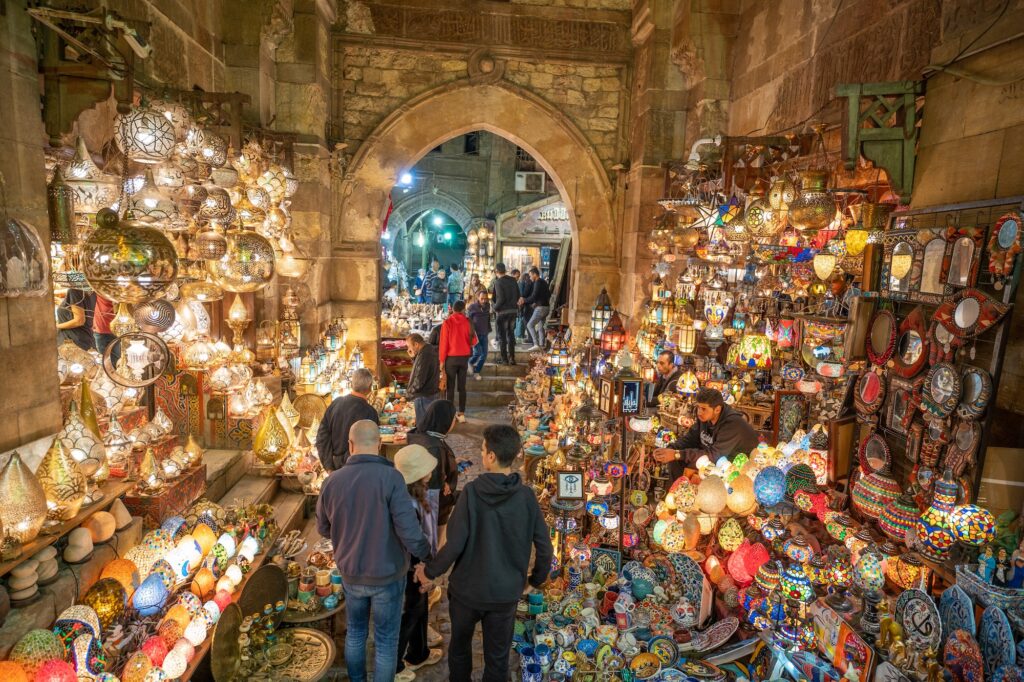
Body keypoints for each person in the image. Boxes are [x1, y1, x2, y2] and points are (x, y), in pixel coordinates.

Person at [415, 425, 554, 682]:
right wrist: (534, 581)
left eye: (482, 449)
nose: (481, 454)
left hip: (467, 592)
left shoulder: (471, 493)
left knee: (459, 649)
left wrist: (430, 571)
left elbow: (454, 544)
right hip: (505, 594)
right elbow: (545, 547)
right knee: (498, 658)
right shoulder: (526, 497)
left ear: (491, 456)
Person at [316, 421, 432, 682]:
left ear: (349, 445)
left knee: (355, 632)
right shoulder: (392, 478)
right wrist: (429, 558)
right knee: (386, 640)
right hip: (388, 575)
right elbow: (411, 533)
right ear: (379, 445)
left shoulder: (331, 481)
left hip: (350, 573)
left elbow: (323, 528)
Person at [393, 444, 443, 681]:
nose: (431, 473)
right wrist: (425, 569)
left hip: (416, 565)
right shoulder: (407, 504)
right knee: (411, 612)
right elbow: (414, 542)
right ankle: (394, 665)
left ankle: (419, 653)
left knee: (420, 609)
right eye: (427, 470)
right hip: (410, 567)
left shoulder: (414, 493)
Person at [653, 387, 760, 480]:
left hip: (734, 467)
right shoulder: (704, 417)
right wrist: (671, 448)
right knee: (676, 460)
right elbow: (690, 438)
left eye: (704, 409)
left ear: (717, 409)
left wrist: (678, 454)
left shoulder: (732, 424)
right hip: (711, 459)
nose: (699, 412)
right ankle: (676, 493)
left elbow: (714, 456)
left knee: (680, 458)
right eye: (698, 407)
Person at [406, 400, 459, 531]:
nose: (455, 421)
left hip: (419, 503)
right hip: (434, 510)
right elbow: (434, 488)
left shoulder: (419, 434)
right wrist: (445, 485)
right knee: (436, 542)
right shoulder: (435, 447)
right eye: (454, 417)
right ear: (445, 420)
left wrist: (452, 463)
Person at [316, 368, 380, 471]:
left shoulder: (336, 403)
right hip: (358, 469)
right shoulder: (370, 412)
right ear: (369, 388)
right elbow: (371, 446)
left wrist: (329, 467)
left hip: (335, 467)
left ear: (351, 384)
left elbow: (322, 438)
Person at [438, 300, 474, 420]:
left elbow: (443, 344)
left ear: (452, 309)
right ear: (463, 309)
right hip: (464, 359)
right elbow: (474, 341)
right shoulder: (468, 322)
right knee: (462, 387)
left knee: (450, 387)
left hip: (451, 359)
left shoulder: (447, 322)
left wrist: (442, 361)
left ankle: (451, 414)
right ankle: (462, 413)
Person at [405, 333, 440, 425]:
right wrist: (414, 358)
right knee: (427, 423)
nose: (409, 349)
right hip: (428, 393)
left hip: (424, 395)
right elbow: (420, 370)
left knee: (423, 425)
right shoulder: (427, 350)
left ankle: (423, 439)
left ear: (416, 344)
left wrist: (408, 394)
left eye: (409, 346)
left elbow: (419, 380)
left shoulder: (425, 355)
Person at [491, 263, 520, 365]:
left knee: (502, 336)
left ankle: (504, 359)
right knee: (511, 335)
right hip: (513, 312)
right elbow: (518, 295)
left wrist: (494, 308)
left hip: (503, 313)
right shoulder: (513, 280)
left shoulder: (498, 282)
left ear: (496, 271)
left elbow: (501, 299)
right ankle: (512, 358)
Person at [519, 267, 551, 351]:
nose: (530, 278)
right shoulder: (544, 282)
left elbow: (534, 296)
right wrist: (537, 302)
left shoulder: (537, 282)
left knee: (530, 325)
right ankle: (541, 345)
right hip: (546, 307)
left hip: (540, 308)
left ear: (534, 274)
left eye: (530, 276)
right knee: (540, 327)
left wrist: (524, 300)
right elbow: (548, 295)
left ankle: (536, 344)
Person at [55, 286, 96, 351]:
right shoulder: (92, 291)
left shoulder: (74, 290)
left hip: (73, 341)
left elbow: (79, 321)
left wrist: (56, 327)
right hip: (84, 338)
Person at [466, 289, 491, 379]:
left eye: (485, 299)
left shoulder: (488, 306)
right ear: (478, 298)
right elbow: (468, 320)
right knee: (478, 352)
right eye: (482, 299)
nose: (484, 300)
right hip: (475, 334)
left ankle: (477, 371)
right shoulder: (472, 307)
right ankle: (469, 362)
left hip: (484, 333)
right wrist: (470, 332)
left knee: (484, 354)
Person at [92, 293, 119, 365]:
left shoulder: (117, 293)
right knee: (104, 360)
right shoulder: (97, 290)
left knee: (117, 359)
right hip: (101, 330)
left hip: (115, 330)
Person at [516, 268, 532, 343]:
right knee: (526, 321)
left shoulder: (522, 283)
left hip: (524, 304)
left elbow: (522, 294)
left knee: (525, 321)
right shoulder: (529, 283)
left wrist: (521, 301)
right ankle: (526, 336)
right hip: (528, 304)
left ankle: (528, 337)